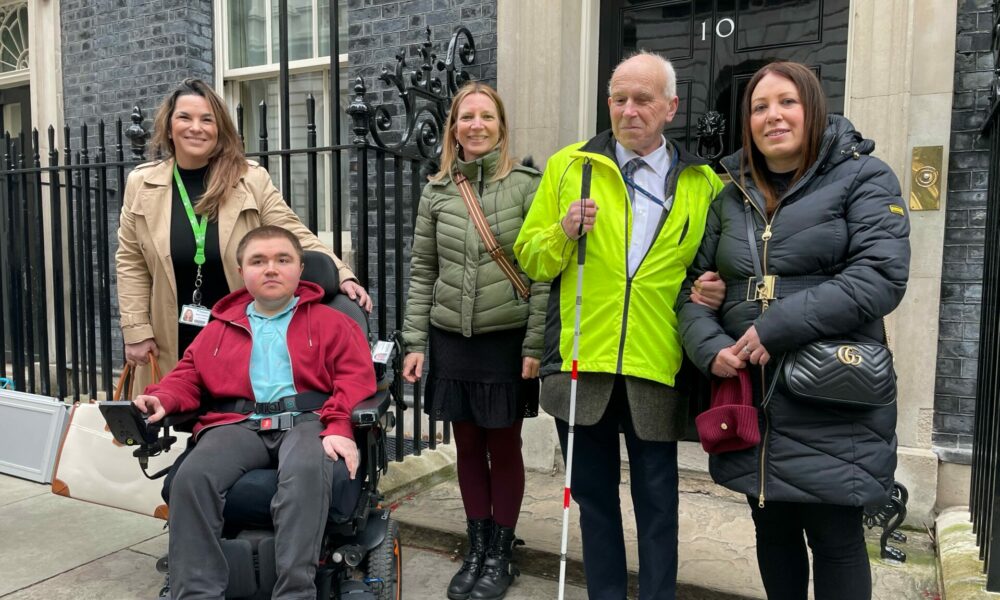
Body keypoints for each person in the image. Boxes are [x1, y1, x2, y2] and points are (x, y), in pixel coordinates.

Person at [676, 61, 910, 600]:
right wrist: (709, 348)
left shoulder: (864, 177)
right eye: (759, 107)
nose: (772, 116)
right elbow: (692, 290)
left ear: (813, 108)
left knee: (835, 537)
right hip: (753, 396)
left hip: (831, 394)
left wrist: (775, 325)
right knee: (772, 529)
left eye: (787, 102)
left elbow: (879, 276)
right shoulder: (729, 193)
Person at [514, 51, 725, 599]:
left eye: (643, 100)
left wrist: (710, 289)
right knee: (594, 500)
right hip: (581, 362)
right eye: (618, 99)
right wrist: (562, 231)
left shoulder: (703, 185)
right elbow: (531, 259)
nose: (629, 110)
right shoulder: (569, 166)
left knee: (659, 504)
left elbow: (714, 268)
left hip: (656, 362)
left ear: (670, 107)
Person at [133, 225, 376, 600]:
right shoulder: (219, 328)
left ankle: (295, 591)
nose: (271, 269)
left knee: (307, 469)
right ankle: (196, 593)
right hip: (238, 424)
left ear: (299, 269)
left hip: (308, 420)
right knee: (193, 476)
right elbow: (187, 377)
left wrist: (340, 424)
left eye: (283, 260)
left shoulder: (334, 322)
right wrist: (162, 399)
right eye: (258, 261)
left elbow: (355, 379)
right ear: (243, 271)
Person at [116, 78, 371, 392]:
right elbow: (131, 263)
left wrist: (342, 272)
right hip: (171, 334)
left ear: (219, 129)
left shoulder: (250, 179)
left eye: (207, 119)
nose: (196, 127)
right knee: (173, 411)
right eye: (185, 117)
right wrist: (136, 330)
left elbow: (293, 232)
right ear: (169, 127)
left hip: (237, 328)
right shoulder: (142, 184)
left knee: (228, 420)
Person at [401, 82, 548, 600]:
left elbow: (543, 273)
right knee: (466, 446)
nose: (477, 125)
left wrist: (535, 345)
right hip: (451, 339)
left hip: (505, 340)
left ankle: (501, 554)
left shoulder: (528, 186)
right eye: (467, 117)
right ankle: (477, 546)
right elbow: (422, 269)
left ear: (501, 126)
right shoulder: (437, 190)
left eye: (487, 116)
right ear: (454, 128)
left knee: (503, 444)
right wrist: (415, 341)